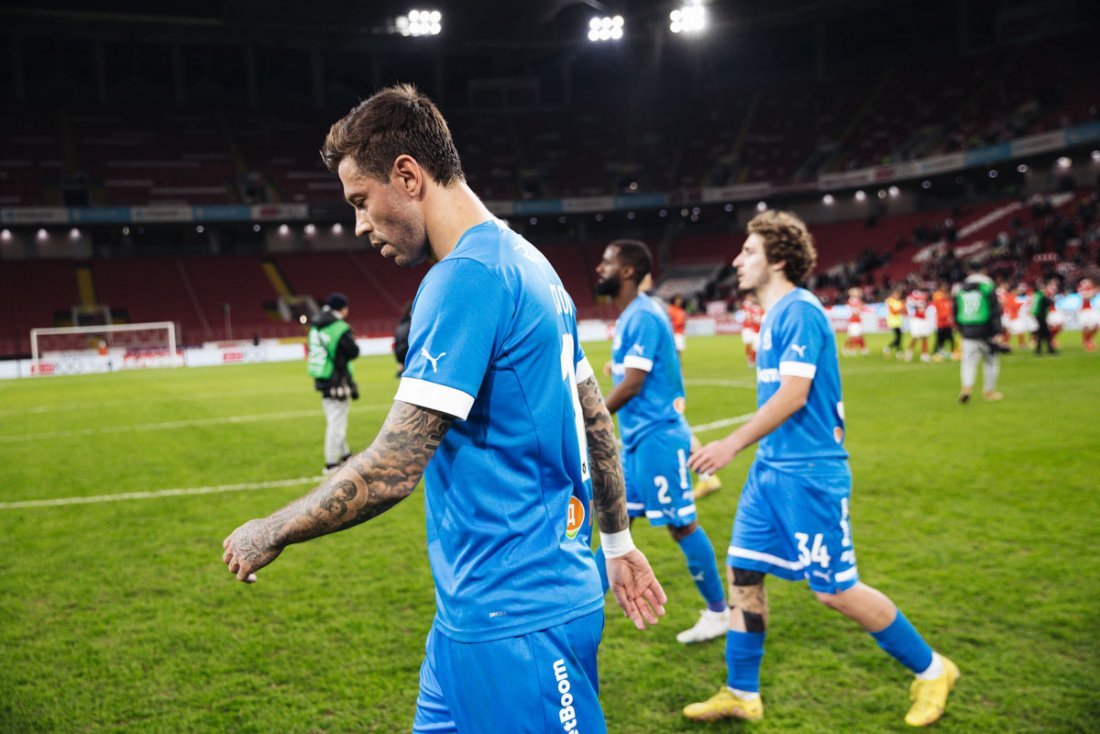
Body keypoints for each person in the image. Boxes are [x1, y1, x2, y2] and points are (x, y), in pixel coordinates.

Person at [222, 84, 667, 734]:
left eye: (360, 201)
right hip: (475, 613)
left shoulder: (466, 277)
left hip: (517, 620)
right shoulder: (531, 263)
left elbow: (394, 467)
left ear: (408, 175)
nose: (359, 225)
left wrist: (273, 528)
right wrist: (618, 541)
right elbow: (594, 418)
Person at [682, 210, 957, 727]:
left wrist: (731, 444)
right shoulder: (774, 316)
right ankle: (742, 692)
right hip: (771, 471)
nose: (736, 260)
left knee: (835, 591)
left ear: (778, 259)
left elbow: (794, 394)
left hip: (810, 473)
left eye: (749, 251)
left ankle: (933, 670)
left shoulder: (800, 311)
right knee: (744, 573)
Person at [593, 239, 728, 645]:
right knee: (617, 524)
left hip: (658, 437)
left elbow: (633, 384)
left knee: (682, 525)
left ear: (628, 271)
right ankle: (578, 610)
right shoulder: (632, 315)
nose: (599, 268)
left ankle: (719, 612)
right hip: (636, 441)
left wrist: (589, 419)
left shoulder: (643, 315)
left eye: (607, 262)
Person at [307, 291, 360, 473]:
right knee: (337, 422)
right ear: (342, 308)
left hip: (322, 376)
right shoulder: (338, 327)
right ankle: (330, 464)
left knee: (334, 418)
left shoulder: (315, 325)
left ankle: (345, 455)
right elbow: (353, 351)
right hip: (337, 379)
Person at [954, 264, 1003, 403]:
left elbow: (955, 310)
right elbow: (995, 311)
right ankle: (989, 391)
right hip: (986, 330)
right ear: (983, 271)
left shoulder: (960, 289)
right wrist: (997, 331)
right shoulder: (987, 287)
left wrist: (961, 329)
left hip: (967, 330)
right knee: (990, 362)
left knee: (968, 362)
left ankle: (966, 388)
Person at [905, 287, 933, 362]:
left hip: (924, 319)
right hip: (917, 319)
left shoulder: (926, 299)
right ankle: (909, 352)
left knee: (925, 337)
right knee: (915, 337)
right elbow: (910, 303)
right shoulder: (914, 297)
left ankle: (924, 355)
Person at [1031, 279, 1058, 355]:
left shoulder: (1037, 295)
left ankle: (1041, 349)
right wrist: (1052, 297)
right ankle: (1047, 349)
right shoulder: (1042, 296)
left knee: (1043, 333)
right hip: (1041, 316)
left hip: (1038, 315)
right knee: (1045, 333)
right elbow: (1049, 302)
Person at [931, 283, 956, 361]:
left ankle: (952, 352)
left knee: (951, 339)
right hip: (941, 324)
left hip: (948, 325)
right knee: (939, 340)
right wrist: (946, 317)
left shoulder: (949, 302)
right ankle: (937, 353)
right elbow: (938, 312)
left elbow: (951, 312)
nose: (947, 295)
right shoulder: (938, 302)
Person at [842, 287, 869, 356]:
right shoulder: (851, 301)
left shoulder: (858, 301)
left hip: (857, 320)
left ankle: (862, 348)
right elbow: (853, 311)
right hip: (853, 321)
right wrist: (858, 309)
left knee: (859, 335)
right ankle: (850, 348)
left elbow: (861, 309)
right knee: (853, 336)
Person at [740, 292, 763, 367]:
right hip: (748, 327)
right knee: (748, 343)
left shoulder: (758, 307)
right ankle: (749, 357)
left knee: (756, 346)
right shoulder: (746, 305)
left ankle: (752, 360)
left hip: (756, 329)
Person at [883, 286, 905, 358]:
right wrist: (900, 309)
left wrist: (902, 308)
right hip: (892, 321)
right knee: (898, 337)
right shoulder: (890, 301)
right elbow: (893, 311)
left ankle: (898, 351)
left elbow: (903, 311)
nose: (898, 296)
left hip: (898, 321)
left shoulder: (899, 302)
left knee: (899, 337)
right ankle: (889, 347)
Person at [1077, 278, 1098, 352]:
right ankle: (1086, 341)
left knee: (1096, 325)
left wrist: (1093, 292)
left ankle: (1088, 340)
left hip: (1090, 309)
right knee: (1086, 327)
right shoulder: (1081, 289)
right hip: (1083, 310)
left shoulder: (1090, 289)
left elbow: (1093, 296)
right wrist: (1093, 292)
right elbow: (1086, 297)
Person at [393, 301, 412, 377]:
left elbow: (396, 344)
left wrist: (399, 362)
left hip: (400, 353)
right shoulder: (412, 325)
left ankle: (401, 370)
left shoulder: (400, 326)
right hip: (408, 351)